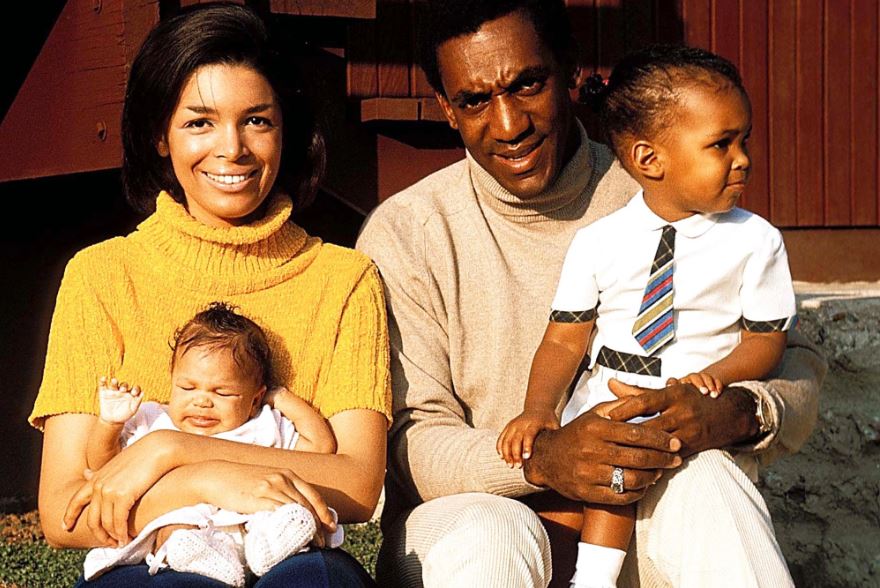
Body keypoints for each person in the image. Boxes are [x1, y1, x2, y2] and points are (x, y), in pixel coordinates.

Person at [355, 1, 825, 586]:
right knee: (491, 537)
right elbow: (409, 440)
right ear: (448, 110)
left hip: (644, 498)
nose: (508, 124)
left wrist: (728, 412)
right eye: (475, 100)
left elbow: (792, 362)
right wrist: (544, 459)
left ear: (571, 74)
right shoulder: (409, 231)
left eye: (528, 84)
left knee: (708, 485)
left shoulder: (664, 186)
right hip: (471, 520)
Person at [30, 4, 390, 587]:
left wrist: (167, 451)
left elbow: (354, 483)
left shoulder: (344, 278)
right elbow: (64, 510)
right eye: (200, 122)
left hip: (292, 559)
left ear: (286, 131)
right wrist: (203, 483)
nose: (233, 150)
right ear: (158, 135)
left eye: (257, 121)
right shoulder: (101, 275)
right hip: (154, 562)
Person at [497, 45, 798, 588]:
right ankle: (592, 579)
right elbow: (566, 341)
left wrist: (718, 377)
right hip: (615, 392)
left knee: (682, 481)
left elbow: (766, 341)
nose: (743, 158)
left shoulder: (756, 242)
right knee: (611, 463)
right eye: (721, 145)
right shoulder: (600, 241)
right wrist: (538, 410)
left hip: (691, 408)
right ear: (648, 159)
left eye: (744, 139)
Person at [83, 302, 341, 586]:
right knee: (176, 527)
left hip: (251, 529)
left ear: (254, 399)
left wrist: (280, 398)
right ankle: (197, 558)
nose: (202, 400)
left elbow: (320, 445)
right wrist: (109, 424)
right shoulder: (153, 420)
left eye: (222, 392)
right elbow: (104, 467)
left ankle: (273, 546)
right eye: (187, 388)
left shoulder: (262, 425)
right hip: (186, 528)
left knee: (281, 510)